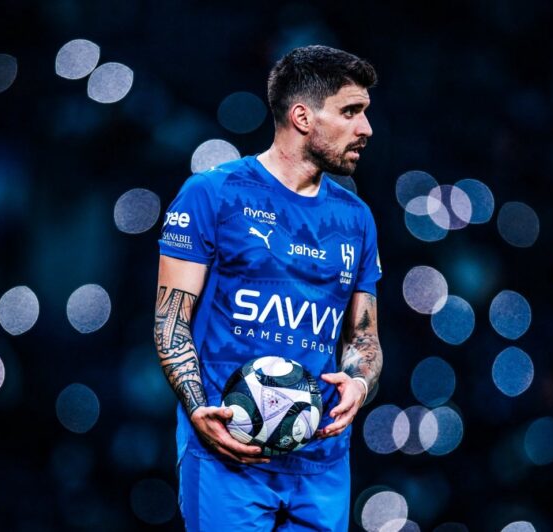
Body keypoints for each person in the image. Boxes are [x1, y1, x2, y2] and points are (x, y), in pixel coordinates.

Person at [154, 45, 383, 531]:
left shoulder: (357, 219)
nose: (365, 128)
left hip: (322, 461)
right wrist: (196, 409)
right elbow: (170, 321)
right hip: (228, 455)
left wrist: (360, 383)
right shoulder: (212, 195)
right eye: (350, 112)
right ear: (302, 117)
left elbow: (363, 338)